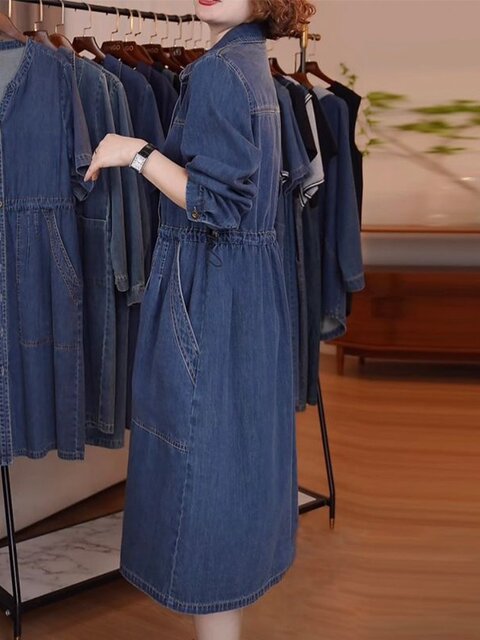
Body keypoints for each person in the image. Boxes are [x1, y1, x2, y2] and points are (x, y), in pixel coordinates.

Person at [84, 1, 316, 638]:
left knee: (203, 466)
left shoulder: (220, 72)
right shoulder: (251, 63)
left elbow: (220, 204)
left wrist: (136, 153)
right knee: (229, 462)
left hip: (210, 287)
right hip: (245, 290)